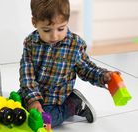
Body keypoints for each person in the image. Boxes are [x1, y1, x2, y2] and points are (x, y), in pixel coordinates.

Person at [18, 0, 119, 128]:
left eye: (61, 28)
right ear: (34, 23)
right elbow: (26, 73)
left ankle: (73, 104)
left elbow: (86, 69)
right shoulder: (30, 42)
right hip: (35, 91)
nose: (54, 36)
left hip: (55, 98)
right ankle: (32, 102)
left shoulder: (75, 45)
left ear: (67, 21)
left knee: (44, 121)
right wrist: (33, 99)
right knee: (18, 109)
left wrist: (103, 76)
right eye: (46, 30)